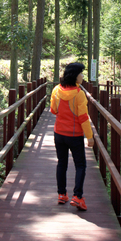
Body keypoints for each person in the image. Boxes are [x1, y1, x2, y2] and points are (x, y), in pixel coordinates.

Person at [50, 62, 95, 211]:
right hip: (75, 135)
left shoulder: (56, 90)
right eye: (81, 73)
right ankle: (78, 197)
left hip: (59, 134)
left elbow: (53, 110)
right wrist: (90, 137)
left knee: (61, 163)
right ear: (75, 76)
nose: (82, 76)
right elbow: (83, 117)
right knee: (80, 165)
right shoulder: (79, 94)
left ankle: (62, 194)